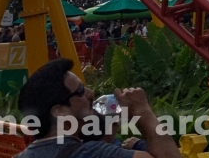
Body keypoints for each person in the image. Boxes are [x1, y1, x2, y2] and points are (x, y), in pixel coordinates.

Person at [14, 58, 179, 158]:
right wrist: (143, 112)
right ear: (59, 111)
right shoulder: (91, 153)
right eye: (80, 91)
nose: (90, 93)